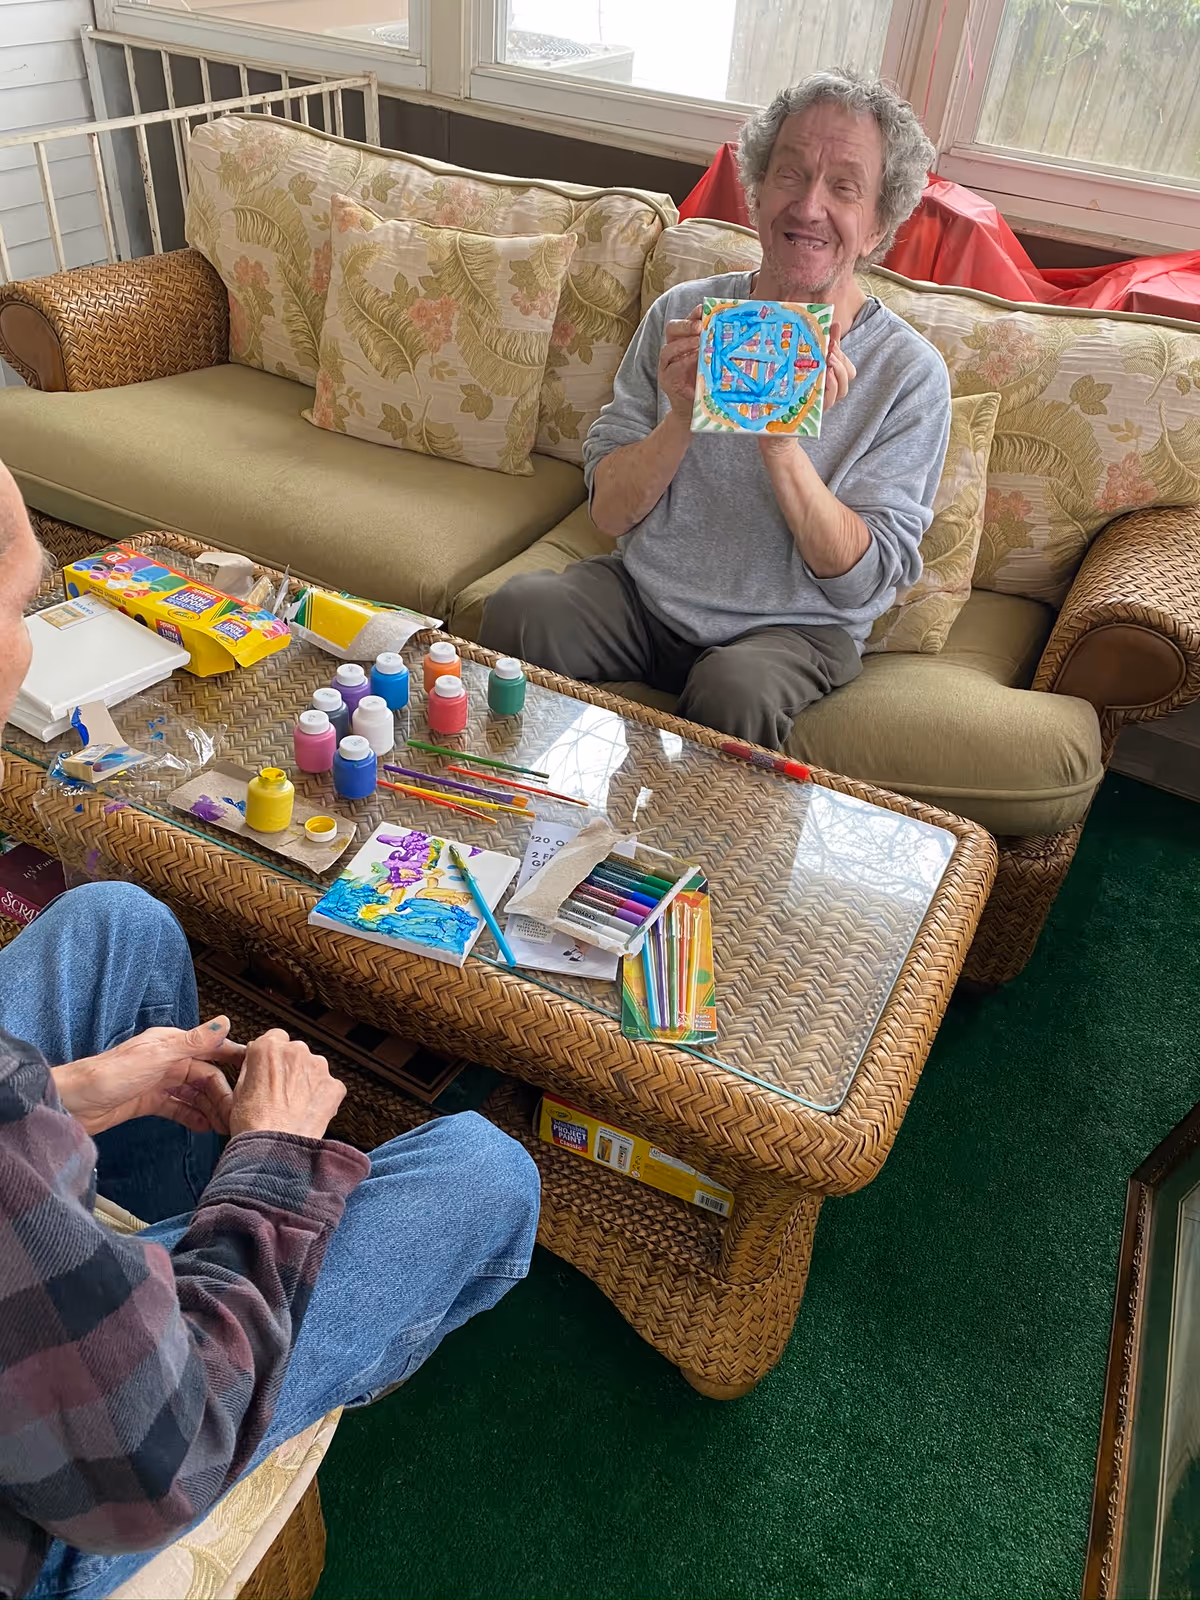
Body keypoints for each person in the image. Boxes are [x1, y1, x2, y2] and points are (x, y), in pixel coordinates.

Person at [0, 465, 540, 1600]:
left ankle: (154, 1237)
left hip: (51, 1315)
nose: (32, 651)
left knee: (116, 923)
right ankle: (215, 1285)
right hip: (70, 1508)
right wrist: (270, 1172)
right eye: (20, 610)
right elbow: (163, 1455)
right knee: (487, 1172)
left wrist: (80, 1088)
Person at [481, 69, 952, 752]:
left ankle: (701, 858)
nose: (809, 206)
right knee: (521, 612)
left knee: (734, 691)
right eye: (790, 174)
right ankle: (520, 816)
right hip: (647, 599)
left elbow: (862, 584)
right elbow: (608, 514)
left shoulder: (908, 375)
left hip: (791, 630)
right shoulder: (683, 315)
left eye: (844, 187)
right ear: (758, 193)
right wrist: (681, 415)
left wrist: (782, 442)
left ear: (879, 223)